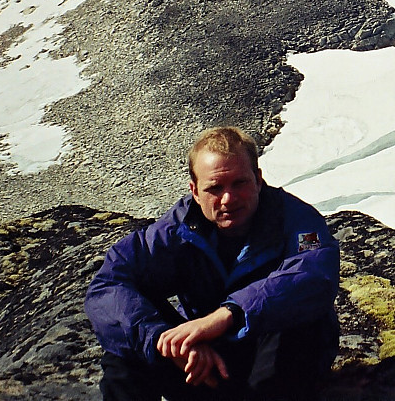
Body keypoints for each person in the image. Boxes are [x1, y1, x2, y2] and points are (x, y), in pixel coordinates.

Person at [85, 126, 340, 401]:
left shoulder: (295, 219)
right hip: (205, 365)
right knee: (126, 350)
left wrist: (228, 315)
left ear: (257, 179)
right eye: (215, 188)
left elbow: (315, 274)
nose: (228, 198)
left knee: (297, 325)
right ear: (195, 191)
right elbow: (108, 284)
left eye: (239, 183)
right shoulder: (176, 230)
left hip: (275, 362)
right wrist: (166, 342)